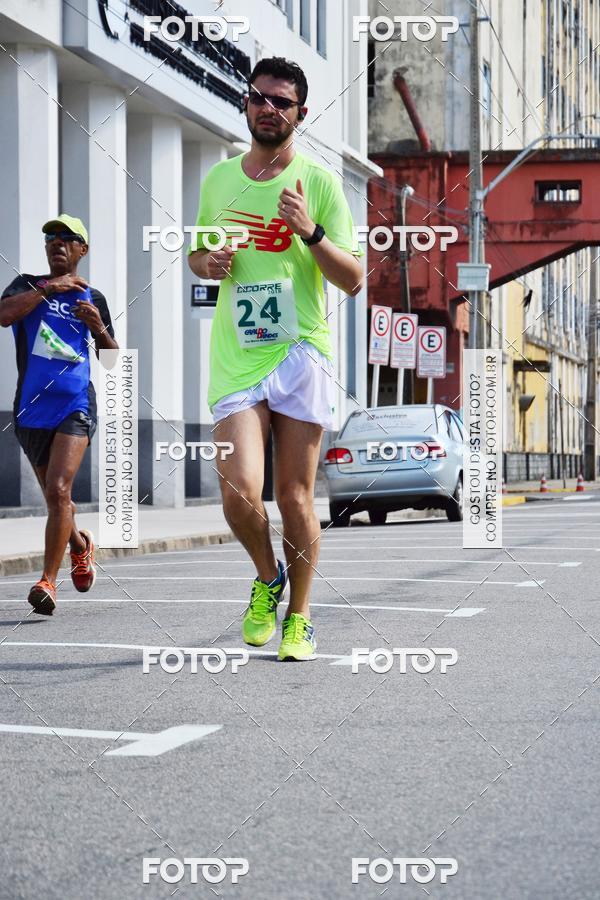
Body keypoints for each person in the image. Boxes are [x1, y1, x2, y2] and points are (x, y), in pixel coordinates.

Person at [188, 57, 364, 661]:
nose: (269, 108)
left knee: (294, 497)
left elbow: (355, 280)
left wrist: (310, 232)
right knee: (238, 491)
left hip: (300, 352)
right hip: (239, 354)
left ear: (300, 114)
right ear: (246, 103)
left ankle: (302, 617)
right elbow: (198, 255)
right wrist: (208, 264)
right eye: (260, 97)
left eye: (282, 102)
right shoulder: (218, 182)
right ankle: (268, 577)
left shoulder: (319, 182)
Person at [0, 215, 118, 615]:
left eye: (68, 238)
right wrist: (49, 288)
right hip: (31, 410)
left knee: (58, 491)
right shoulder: (27, 286)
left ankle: (47, 581)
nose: (57, 243)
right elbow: (3, 315)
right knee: (57, 500)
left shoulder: (93, 297)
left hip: (75, 406)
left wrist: (98, 327)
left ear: (82, 250)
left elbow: (113, 361)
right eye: (51, 237)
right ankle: (81, 546)